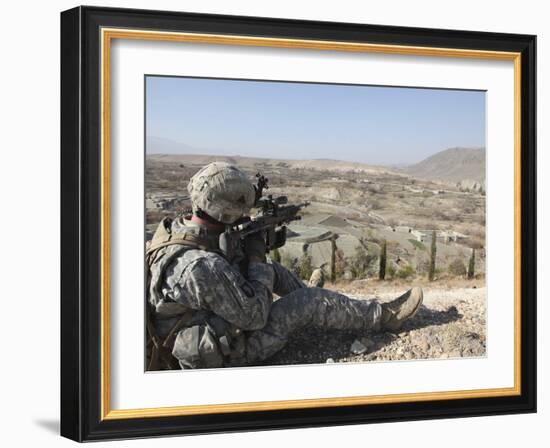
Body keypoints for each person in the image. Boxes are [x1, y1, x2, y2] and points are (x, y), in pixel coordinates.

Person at [146, 162, 423, 370]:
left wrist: (247, 254)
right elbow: (254, 317)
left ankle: (324, 307)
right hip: (224, 352)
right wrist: (255, 258)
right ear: (226, 211)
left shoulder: (177, 232)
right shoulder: (200, 267)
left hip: (209, 322)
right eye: (242, 211)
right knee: (306, 301)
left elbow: (221, 273)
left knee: (276, 274)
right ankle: (386, 316)